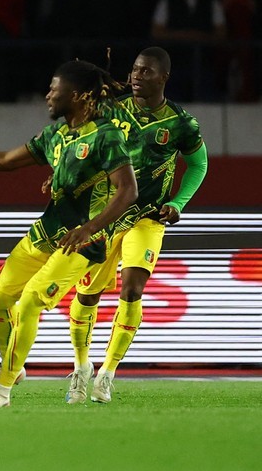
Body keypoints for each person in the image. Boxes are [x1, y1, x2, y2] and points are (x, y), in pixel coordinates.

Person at [0, 59, 138, 407]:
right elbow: (4, 160)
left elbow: (128, 190)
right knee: (0, 295)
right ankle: (13, 367)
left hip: (84, 242)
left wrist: (90, 228)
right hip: (47, 233)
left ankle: (2, 389)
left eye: (54, 88)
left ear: (77, 95)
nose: (48, 95)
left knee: (32, 299)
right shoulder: (56, 136)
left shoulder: (105, 135)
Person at [65, 47, 207, 404]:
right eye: (134, 70)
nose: (136, 77)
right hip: (106, 215)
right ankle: (81, 367)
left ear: (164, 78)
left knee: (131, 288)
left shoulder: (181, 124)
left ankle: (107, 375)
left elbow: (199, 165)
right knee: (88, 294)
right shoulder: (111, 111)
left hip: (148, 217)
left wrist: (177, 203)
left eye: (146, 72)